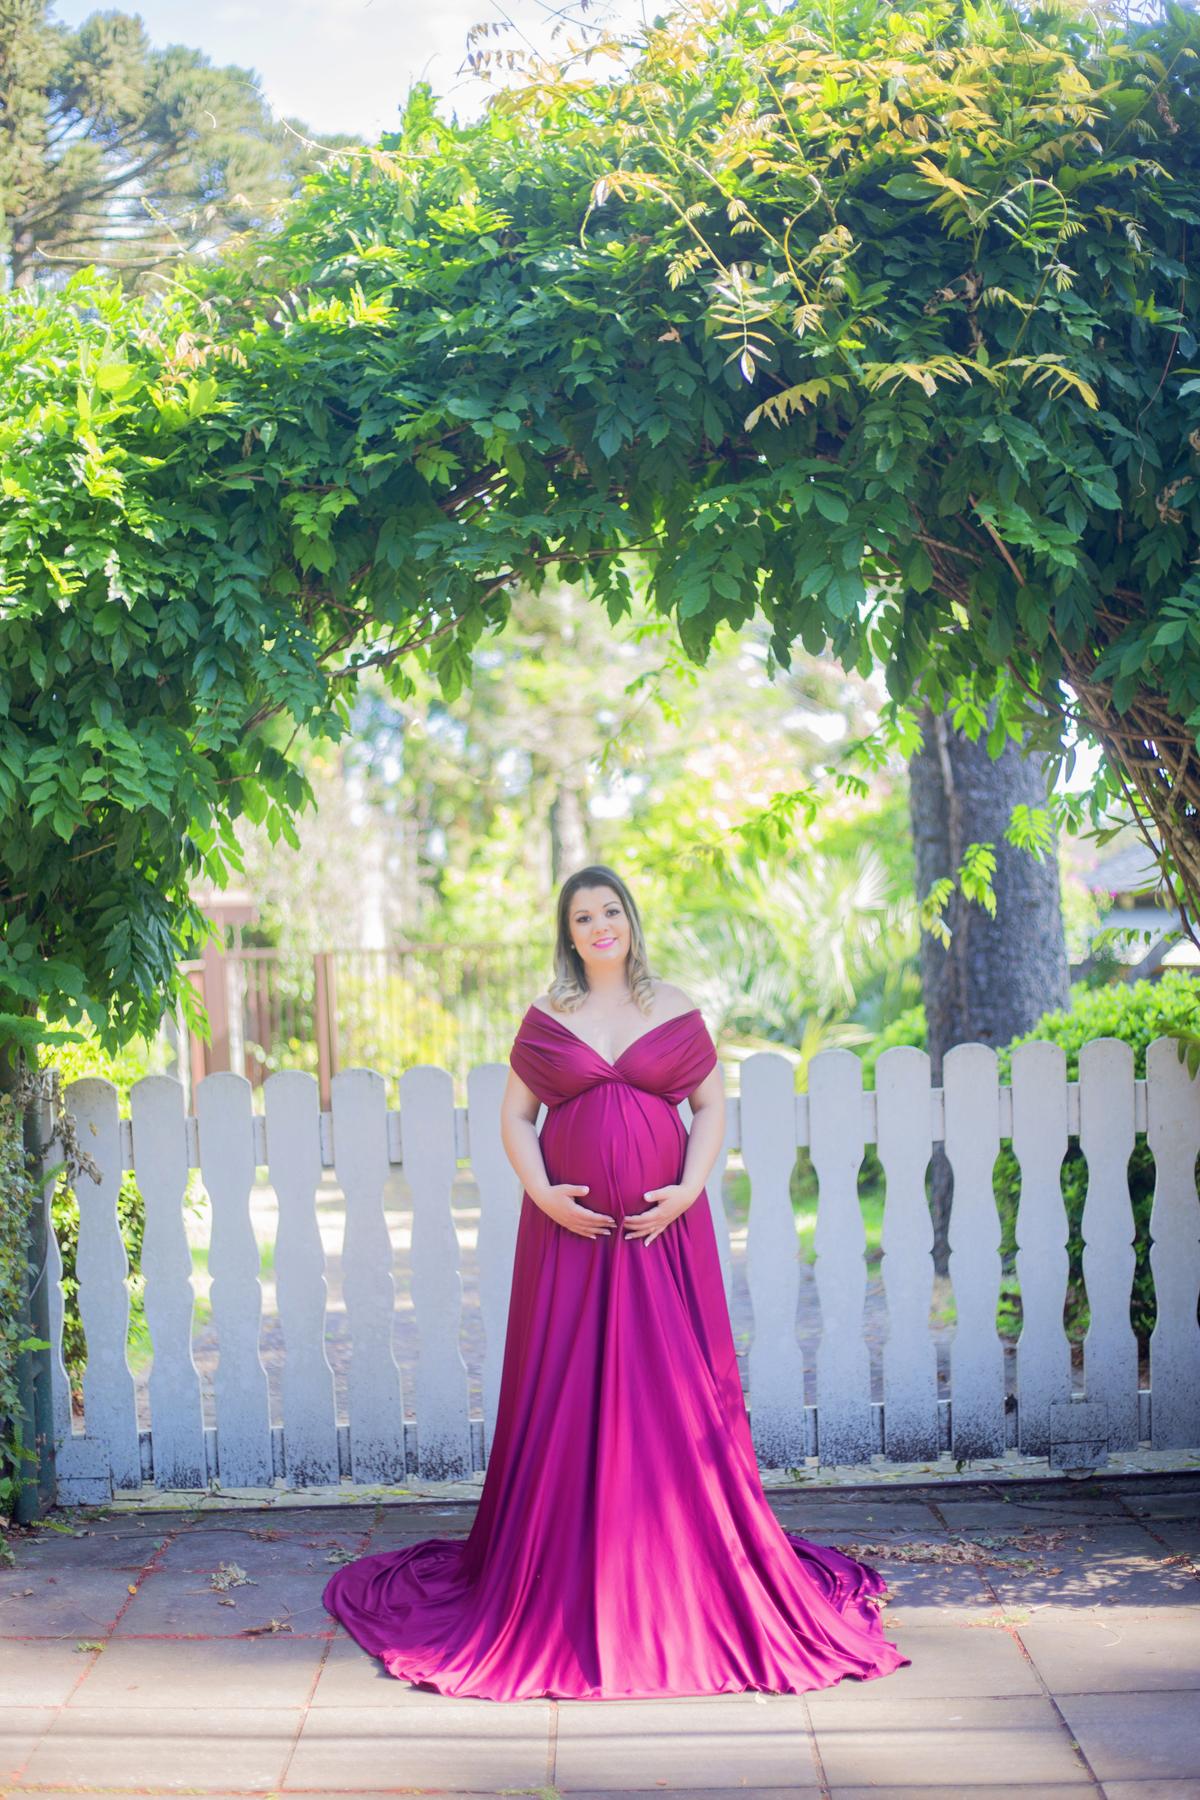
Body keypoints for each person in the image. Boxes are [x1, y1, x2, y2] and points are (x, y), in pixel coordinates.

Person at [323, 864, 905, 1700]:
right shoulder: (548, 1015)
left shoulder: (671, 1005)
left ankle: (679, 1551)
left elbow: (709, 1106)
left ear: (630, 918)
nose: (599, 926)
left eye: (610, 911)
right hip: (570, 1238)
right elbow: (515, 1118)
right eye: (582, 916)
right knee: (569, 1383)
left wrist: (690, 1188)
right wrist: (545, 1197)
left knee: (673, 1386)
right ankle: (569, 1555)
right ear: (567, 932)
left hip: (663, 1233)